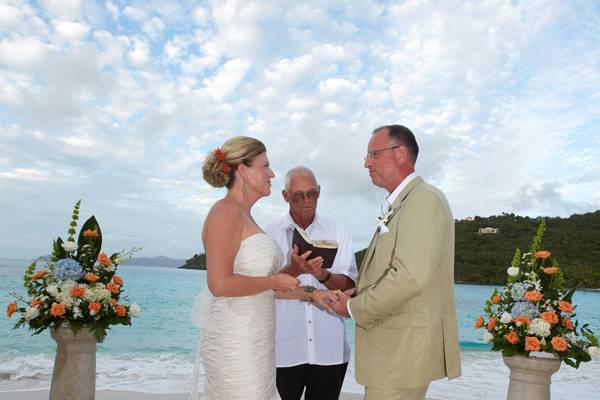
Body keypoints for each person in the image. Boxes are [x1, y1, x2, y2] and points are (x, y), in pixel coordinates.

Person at [191, 136, 337, 400]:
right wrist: (273, 281)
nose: (271, 173)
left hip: (257, 342)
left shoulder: (245, 215)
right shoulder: (225, 212)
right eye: (265, 165)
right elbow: (220, 284)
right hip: (236, 342)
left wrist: (313, 294)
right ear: (244, 171)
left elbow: (264, 286)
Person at [332, 125, 461, 400]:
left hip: (402, 354)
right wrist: (360, 291)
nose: (367, 163)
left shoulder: (423, 199)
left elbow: (409, 276)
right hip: (394, 353)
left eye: (373, 154)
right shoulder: (406, 202)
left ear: (400, 153)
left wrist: (353, 308)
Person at [265, 167, 358, 400]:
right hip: (283, 349)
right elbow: (266, 288)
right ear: (285, 196)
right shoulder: (269, 233)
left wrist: (322, 275)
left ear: (319, 192)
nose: (306, 201)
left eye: (312, 194)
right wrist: (295, 268)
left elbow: (349, 286)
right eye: (298, 196)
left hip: (330, 349)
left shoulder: (338, 230)